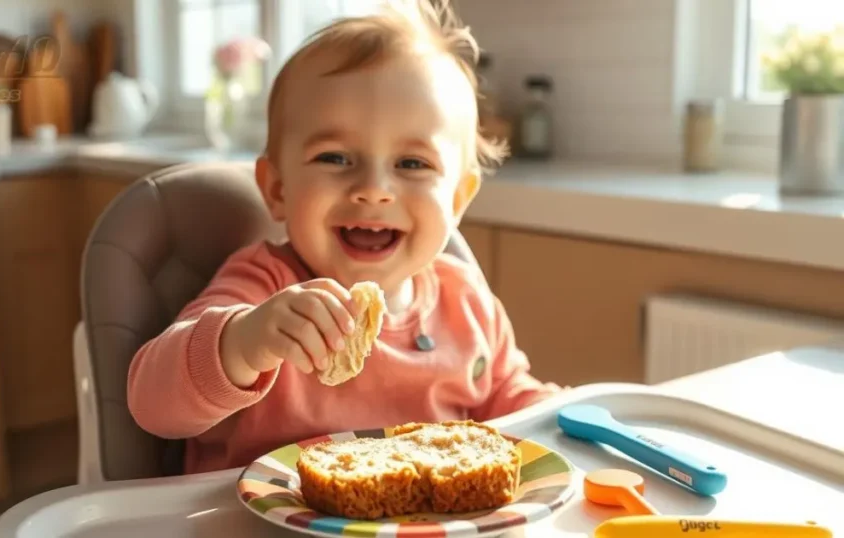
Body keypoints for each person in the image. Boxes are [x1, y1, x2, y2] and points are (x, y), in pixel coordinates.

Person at [127, 0, 561, 475]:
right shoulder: (263, 288)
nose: (373, 189)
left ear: (457, 200)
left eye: (412, 164)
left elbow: (517, 405)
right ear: (277, 188)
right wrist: (246, 342)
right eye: (335, 158)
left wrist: (562, 415)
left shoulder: (468, 305)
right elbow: (152, 404)